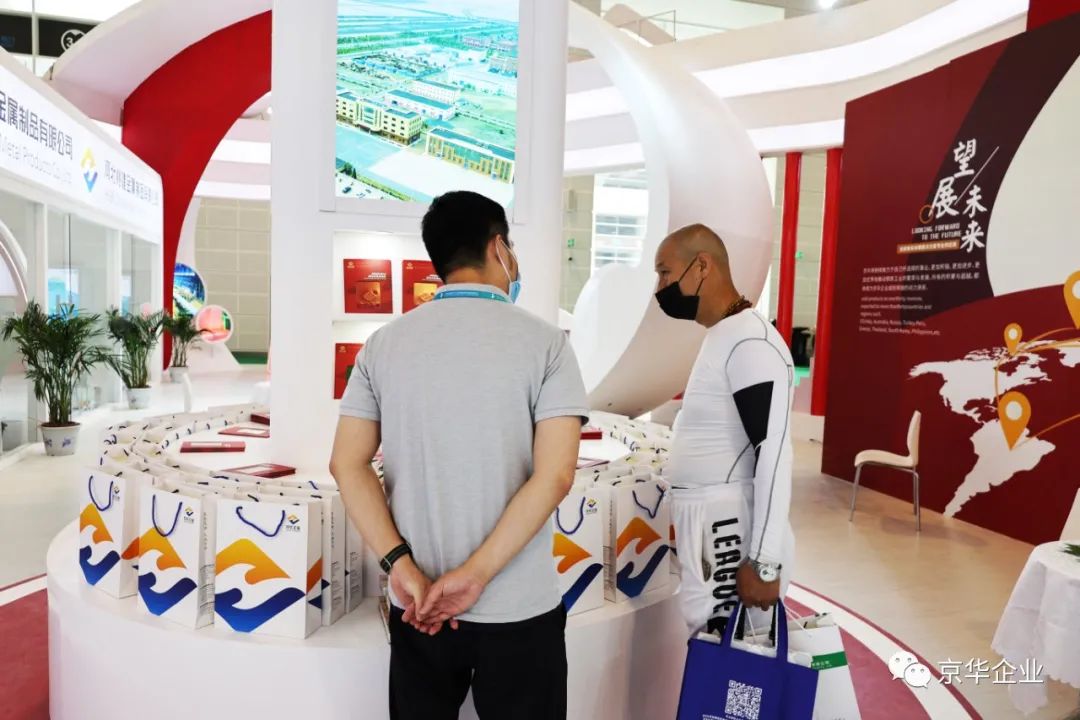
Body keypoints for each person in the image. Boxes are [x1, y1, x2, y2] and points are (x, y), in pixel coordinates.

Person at [329, 190, 589, 720]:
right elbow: (556, 474)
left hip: (418, 603)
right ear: (499, 248)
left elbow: (347, 464)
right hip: (519, 608)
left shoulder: (384, 344)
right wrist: (475, 575)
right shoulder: (547, 344)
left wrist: (400, 565)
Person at [653, 223, 796, 636]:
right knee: (712, 649)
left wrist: (764, 561)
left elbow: (775, 451)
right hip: (712, 523)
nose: (660, 288)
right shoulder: (725, 335)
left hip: (728, 527)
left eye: (665, 273)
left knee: (734, 654)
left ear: (702, 266)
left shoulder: (751, 343)